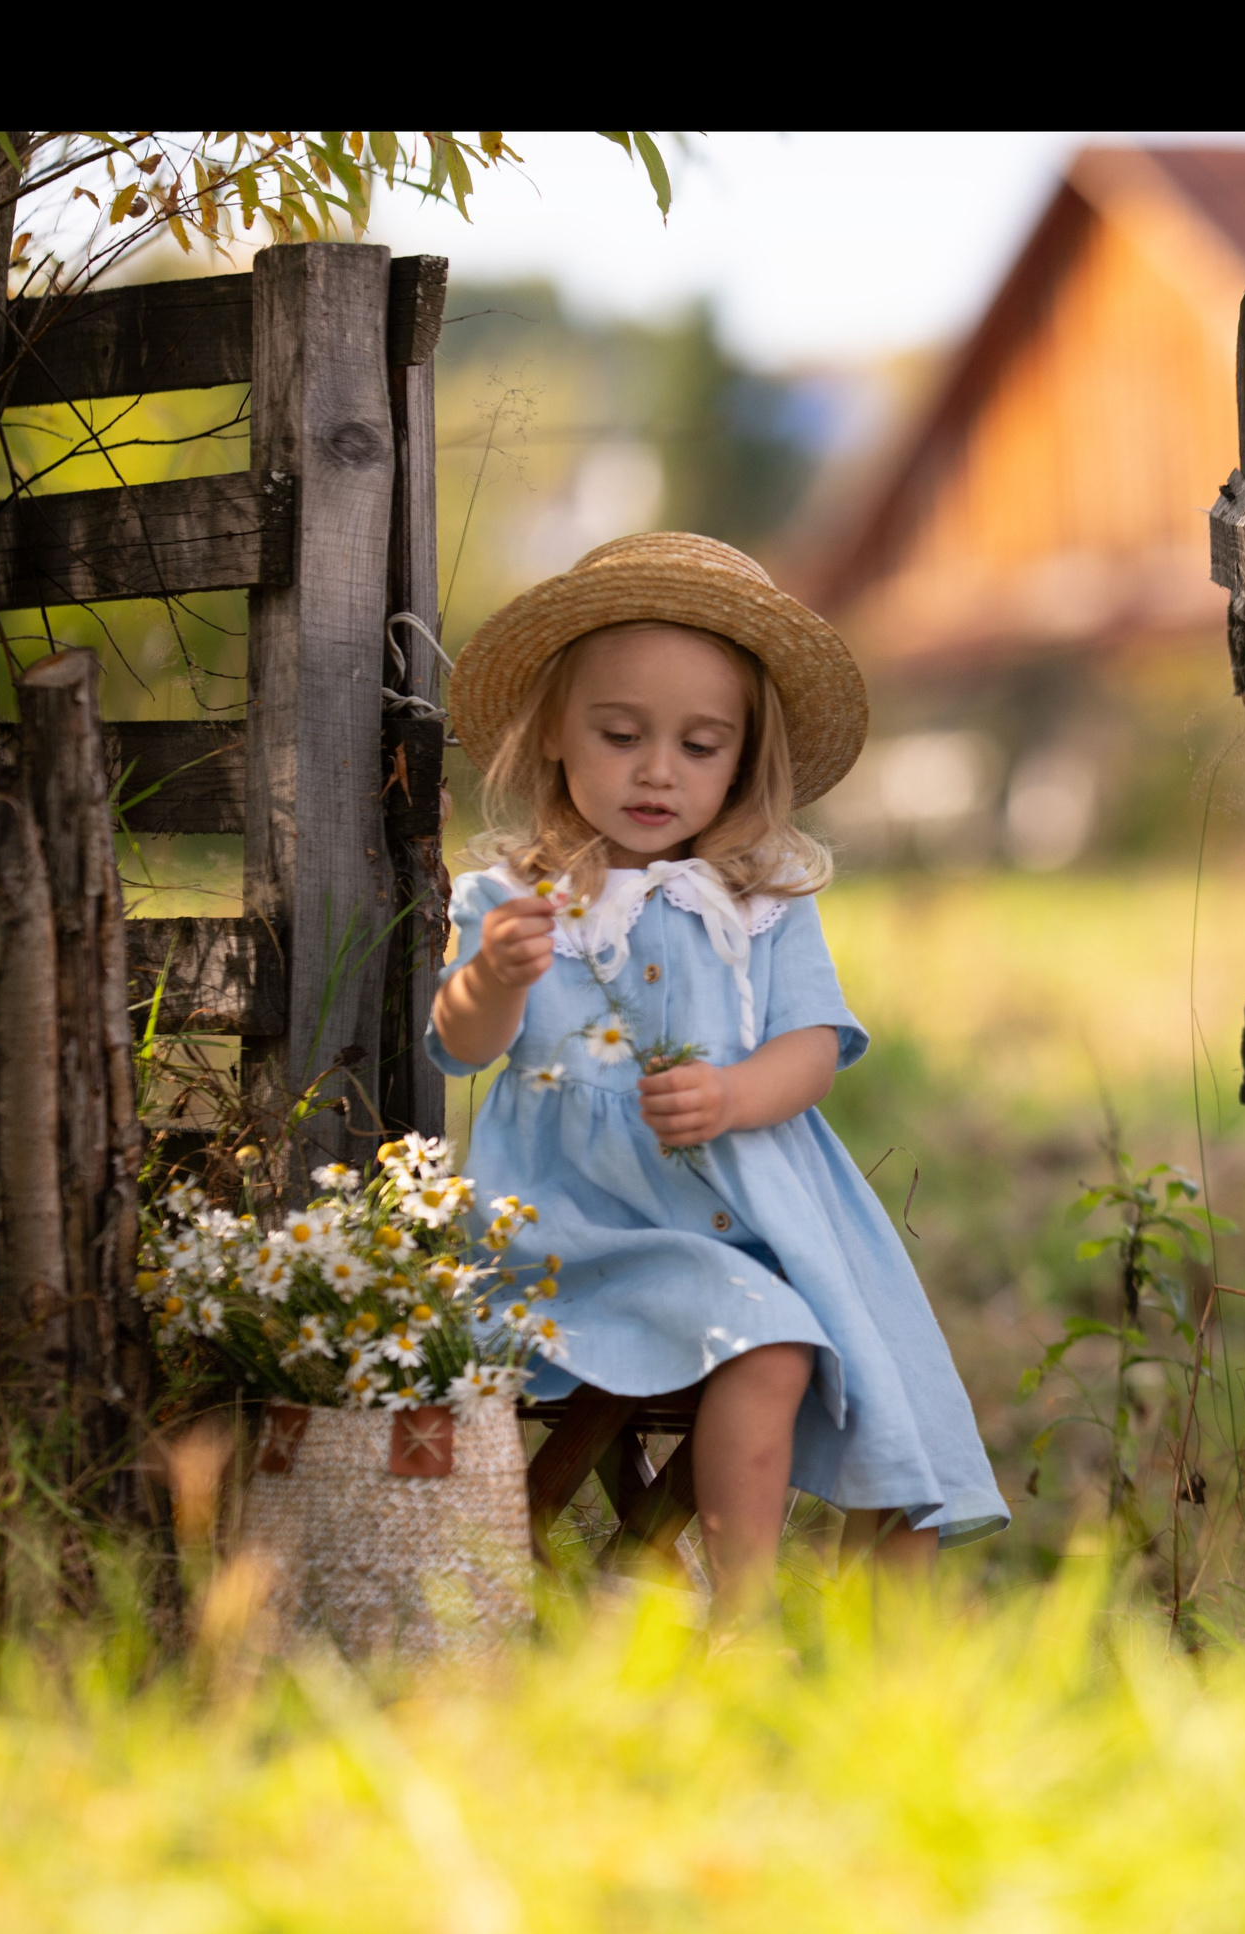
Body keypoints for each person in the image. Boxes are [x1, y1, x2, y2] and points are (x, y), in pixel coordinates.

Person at [428, 532, 1008, 1615]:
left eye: (700, 745)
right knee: (772, 1334)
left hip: (766, 1216)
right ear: (554, 732)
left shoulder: (763, 900)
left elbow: (812, 1048)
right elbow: (461, 1045)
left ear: (741, 759)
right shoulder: (511, 899)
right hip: (573, 1234)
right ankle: (741, 1622)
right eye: (620, 734)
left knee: (876, 1361)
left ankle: (843, 1627)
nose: (658, 770)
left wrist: (735, 1095)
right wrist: (493, 978)